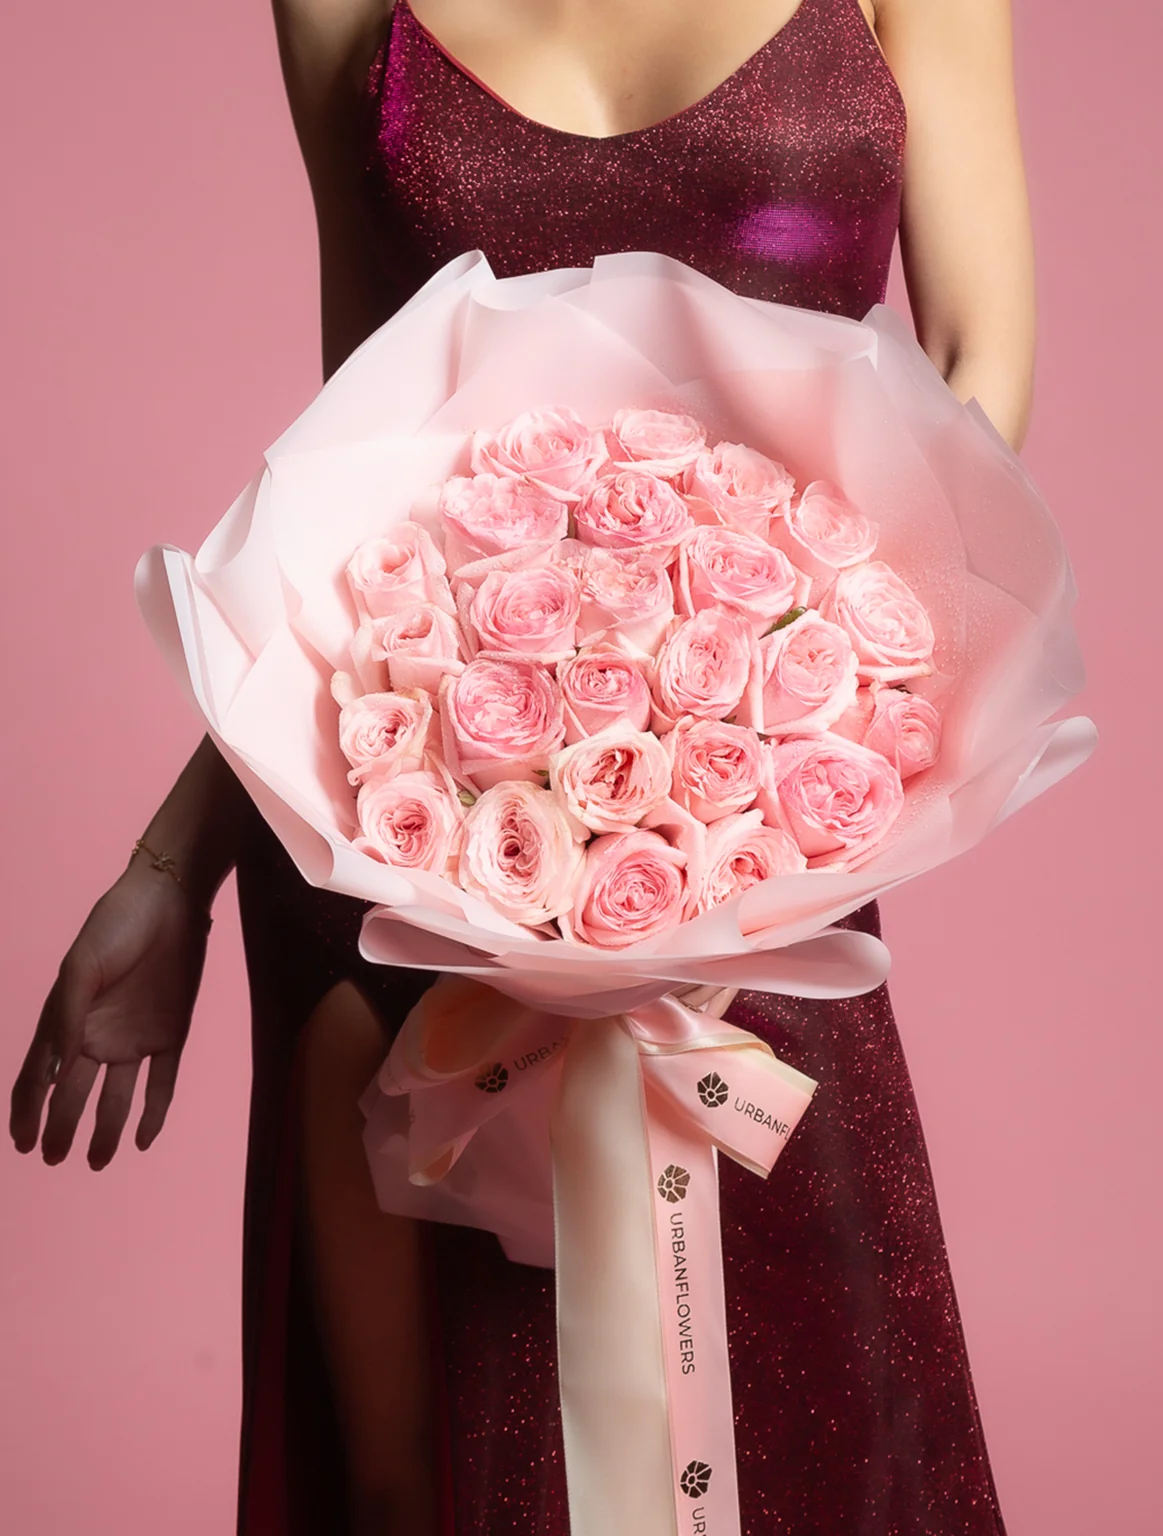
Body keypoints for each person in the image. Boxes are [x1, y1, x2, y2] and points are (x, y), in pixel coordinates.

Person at [9, 0, 1035, 1532]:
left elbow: (976, 366)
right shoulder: (344, 11)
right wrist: (174, 869)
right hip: (406, 845)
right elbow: (349, 487)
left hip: (748, 819)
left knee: (797, 1426)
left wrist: (807, 711)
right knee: (413, 1475)